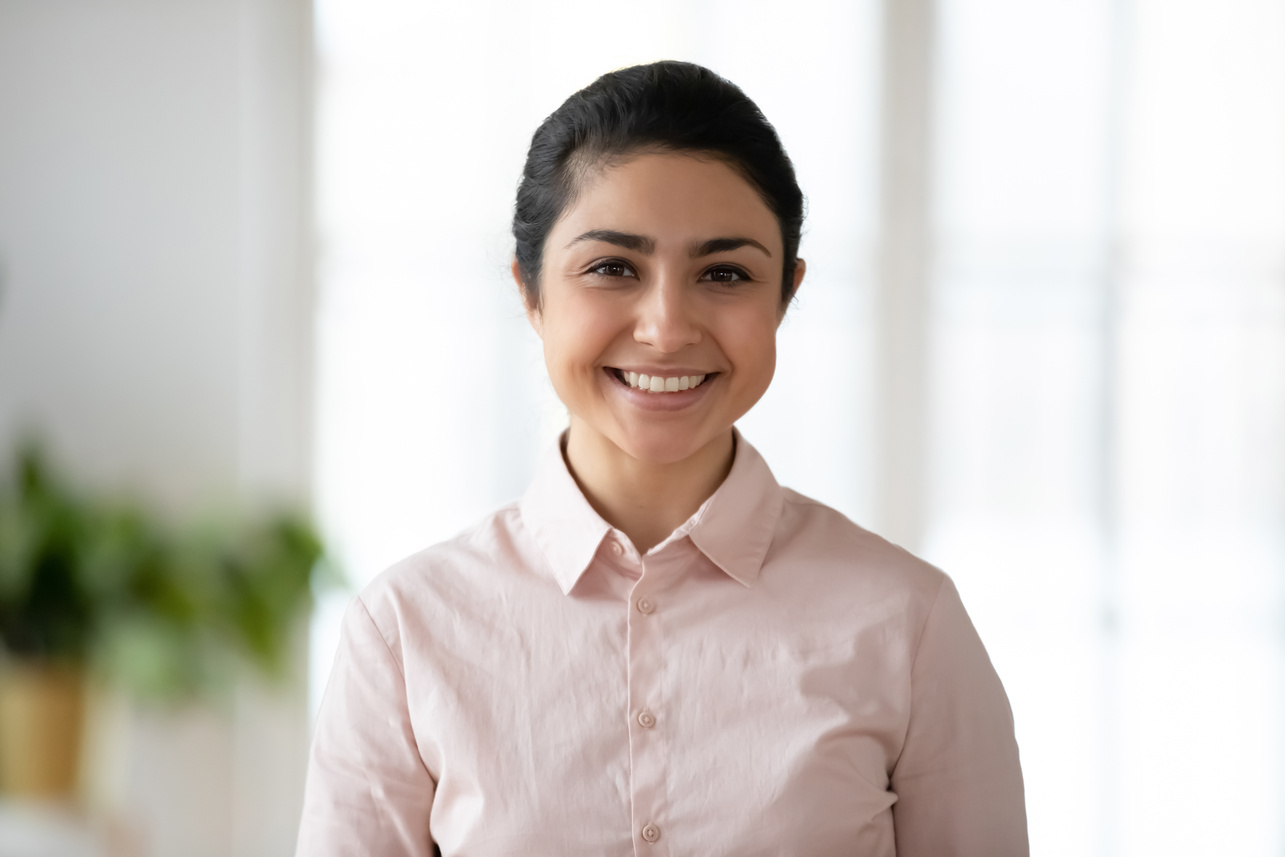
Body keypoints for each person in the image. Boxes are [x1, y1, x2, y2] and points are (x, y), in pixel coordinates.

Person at [296, 61, 1027, 856]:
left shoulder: (906, 623)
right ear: (529, 292)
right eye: (613, 267)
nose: (667, 326)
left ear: (786, 293)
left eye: (725, 273)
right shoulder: (408, 630)